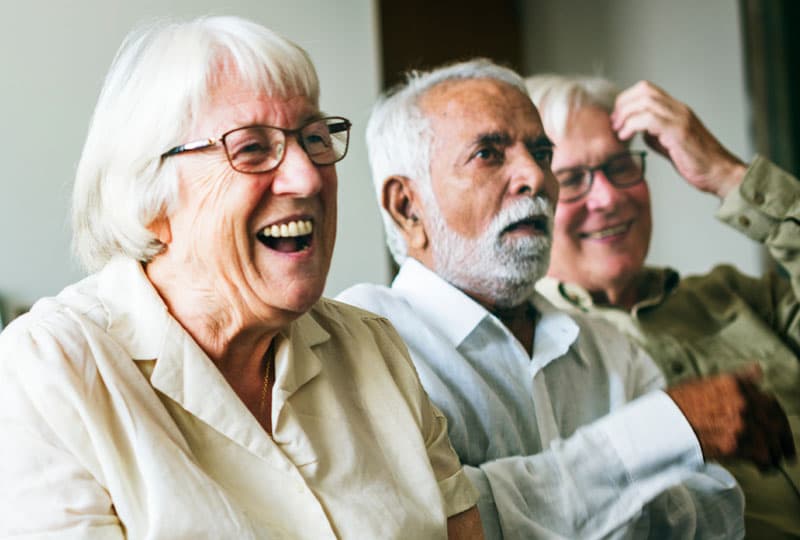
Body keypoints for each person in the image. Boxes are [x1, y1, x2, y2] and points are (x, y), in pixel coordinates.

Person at [0, 16, 483, 539]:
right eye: (251, 147)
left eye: (315, 138)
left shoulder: (374, 349)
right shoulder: (50, 372)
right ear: (149, 196)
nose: (306, 176)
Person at [337, 58, 796, 539]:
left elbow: (714, 515)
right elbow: (425, 525)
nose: (535, 177)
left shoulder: (607, 349)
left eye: (540, 153)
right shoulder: (367, 339)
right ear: (408, 207)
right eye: (489, 154)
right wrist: (659, 434)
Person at [527, 75, 800, 538]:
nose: (609, 198)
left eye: (620, 167)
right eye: (571, 180)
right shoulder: (532, 354)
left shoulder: (736, 296)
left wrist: (727, 174)